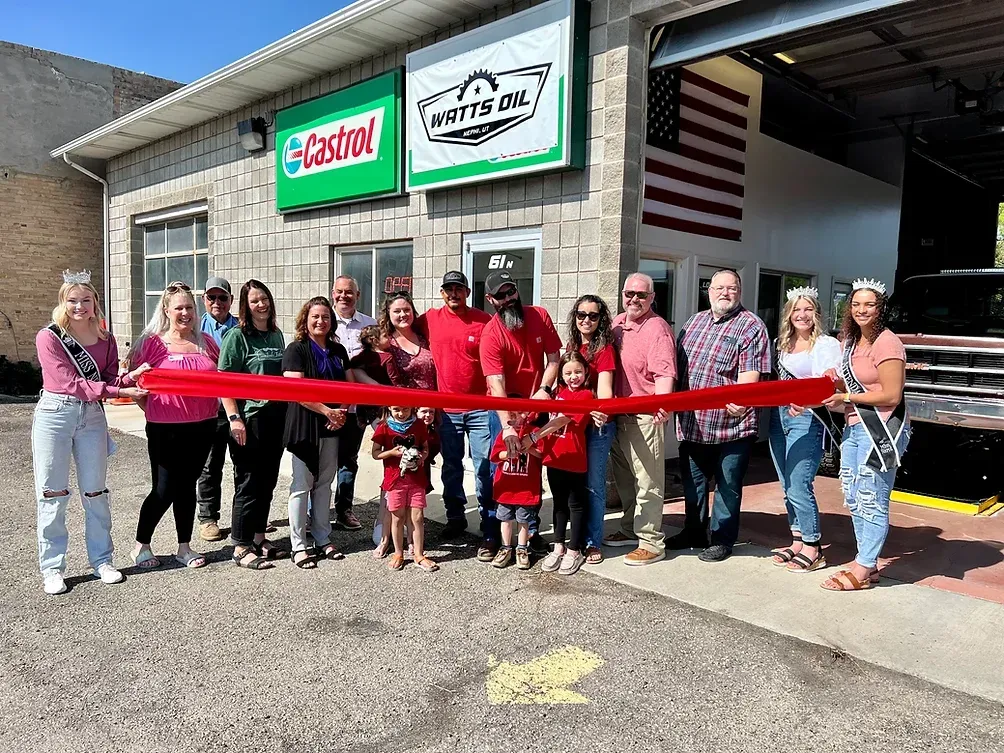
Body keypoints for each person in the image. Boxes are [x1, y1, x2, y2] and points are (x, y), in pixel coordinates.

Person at [32, 271, 148, 595]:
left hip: (92, 416)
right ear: (63, 302)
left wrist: (130, 378)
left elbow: (110, 376)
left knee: (96, 493)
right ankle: (52, 568)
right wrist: (118, 389)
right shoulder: (50, 337)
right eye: (72, 300)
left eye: (86, 299)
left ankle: (102, 560)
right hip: (56, 413)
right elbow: (72, 384)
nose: (79, 306)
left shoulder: (106, 338)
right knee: (53, 493)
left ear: (95, 302)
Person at [673, 269, 770, 563]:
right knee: (694, 483)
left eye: (731, 288)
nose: (724, 293)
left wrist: (742, 400)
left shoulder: (751, 326)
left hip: (732, 426)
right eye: (719, 288)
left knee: (728, 486)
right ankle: (693, 531)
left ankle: (722, 539)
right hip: (693, 424)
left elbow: (750, 375)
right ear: (709, 290)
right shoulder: (694, 322)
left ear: (739, 292)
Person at [820, 278, 909, 592]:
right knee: (854, 496)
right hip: (855, 426)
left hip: (883, 428)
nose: (862, 310)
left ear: (880, 307)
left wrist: (845, 398)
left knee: (872, 498)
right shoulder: (850, 341)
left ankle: (865, 565)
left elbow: (891, 395)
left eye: (869, 304)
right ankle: (865, 561)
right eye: (856, 304)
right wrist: (837, 382)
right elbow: (855, 385)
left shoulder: (888, 342)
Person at [129, 282, 221, 570]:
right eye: (179, 308)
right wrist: (151, 409)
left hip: (203, 425)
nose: (185, 313)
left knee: (186, 488)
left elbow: (224, 378)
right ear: (167, 311)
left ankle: (184, 547)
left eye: (189, 308)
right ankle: (141, 545)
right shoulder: (151, 343)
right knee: (164, 489)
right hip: (164, 428)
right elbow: (132, 382)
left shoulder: (207, 343)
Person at [479, 270, 562, 562]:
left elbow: (554, 358)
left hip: (537, 404)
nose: (507, 299)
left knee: (533, 466)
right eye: (500, 295)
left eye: (510, 291)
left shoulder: (540, 315)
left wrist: (544, 389)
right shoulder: (490, 334)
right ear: (490, 300)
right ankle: (494, 535)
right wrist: (508, 427)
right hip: (503, 407)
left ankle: (530, 534)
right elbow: (496, 384)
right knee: (497, 468)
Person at [603, 273, 677, 566]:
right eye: (629, 293)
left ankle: (651, 541)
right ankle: (629, 528)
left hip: (645, 417)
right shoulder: (618, 324)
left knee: (648, 482)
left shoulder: (657, 328)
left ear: (652, 298)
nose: (634, 299)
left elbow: (664, 372)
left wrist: (662, 404)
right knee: (625, 481)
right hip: (619, 416)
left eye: (641, 295)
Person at [768, 287, 841, 573]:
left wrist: (808, 398)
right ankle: (797, 539)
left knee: (799, 484)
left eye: (808, 309)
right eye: (797, 309)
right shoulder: (781, 343)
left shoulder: (825, 344)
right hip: (779, 416)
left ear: (817, 313)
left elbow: (827, 383)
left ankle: (814, 546)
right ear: (789, 314)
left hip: (808, 417)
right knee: (786, 485)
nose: (802, 315)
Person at [415, 271, 493, 538]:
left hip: (481, 406)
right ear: (442, 293)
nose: (453, 294)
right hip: (447, 409)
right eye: (448, 289)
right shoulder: (429, 319)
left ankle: (489, 517)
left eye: (458, 289)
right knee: (451, 465)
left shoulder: (484, 320)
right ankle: (455, 517)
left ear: (467, 293)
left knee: (484, 464)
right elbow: (400, 333)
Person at [218, 279, 288, 570]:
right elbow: (224, 382)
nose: (261, 304)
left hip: (276, 418)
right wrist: (235, 419)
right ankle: (241, 544)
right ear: (246, 306)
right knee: (248, 481)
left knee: (268, 481)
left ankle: (259, 537)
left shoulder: (276, 334)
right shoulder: (237, 336)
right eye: (255, 301)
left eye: (264, 299)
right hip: (250, 418)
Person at [282, 296, 351, 570]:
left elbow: (349, 386)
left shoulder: (338, 350)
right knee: (301, 486)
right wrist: (327, 411)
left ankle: (323, 538)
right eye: (315, 317)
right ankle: (299, 546)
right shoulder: (296, 349)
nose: (320, 321)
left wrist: (341, 412)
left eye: (325, 317)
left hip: (333, 426)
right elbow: (296, 390)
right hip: (305, 426)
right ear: (305, 320)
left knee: (324, 485)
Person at [565, 294, 618, 564]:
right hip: (573, 424)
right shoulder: (573, 345)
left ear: (601, 319)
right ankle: (574, 537)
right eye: (581, 315)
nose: (586, 320)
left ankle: (592, 541)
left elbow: (606, 390)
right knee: (573, 484)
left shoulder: (604, 349)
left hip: (596, 426)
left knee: (594, 486)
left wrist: (602, 411)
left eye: (593, 315)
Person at [539, 352, 593, 576]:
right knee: (559, 504)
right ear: (560, 374)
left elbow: (563, 420)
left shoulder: (586, 396)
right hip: (554, 457)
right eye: (568, 372)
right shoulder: (557, 394)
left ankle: (574, 549)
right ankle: (559, 544)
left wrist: (533, 438)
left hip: (574, 458)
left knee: (575, 505)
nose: (573, 377)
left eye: (578, 372)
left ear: (586, 372)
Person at [331, 275, 376, 532]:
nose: (344, 296)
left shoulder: (369, 325)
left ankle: (344, 510)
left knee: (348, 459)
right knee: (322, 461)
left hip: (358, 407)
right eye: (339, 292)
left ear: (357, 295)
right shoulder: (323, 322)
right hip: (329, 406)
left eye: (349, 292)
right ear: (332, 293)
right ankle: (315, 511)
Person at [371, 406, 439, 573]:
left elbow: (425, 448)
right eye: (396, 410)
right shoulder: (384, 426)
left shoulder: (418, 425)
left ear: (412, 409)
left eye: (406, 410)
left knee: (417, 517)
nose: (401, 413)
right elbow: (375, 453)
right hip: (394, 481)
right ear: (389, 408)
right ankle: (398, 553)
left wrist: (421, 457)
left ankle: (419, 555)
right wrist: (392, 453)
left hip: (416, 480)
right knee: (397, 518)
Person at [196, 276, 238, 542]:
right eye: (212, 297)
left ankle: (244, 516)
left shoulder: (243, 327)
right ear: (204, 300)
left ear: (231, 301)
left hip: (239, 407)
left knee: (244, 465)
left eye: (223, 297)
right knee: (210, 465)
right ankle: (208, 518)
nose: (217, 302)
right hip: (209, 408)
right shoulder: (195, 329)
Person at [488, 408, 543, 571]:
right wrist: (509, 453)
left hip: (526, 489)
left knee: (523, 520)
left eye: (520, 413)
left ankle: (522, 548)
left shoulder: (534, 432)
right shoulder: (504, 434)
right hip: (506, 488)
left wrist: (529, 447)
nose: (515, 417)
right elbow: (495, 455)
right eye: (511, 414)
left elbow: (542, 454)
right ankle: (506, 547)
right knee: (505, 519)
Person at [379, 291, 436, 391]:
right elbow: (360, 369)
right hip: (403, 404)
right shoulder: (385, 343)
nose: (403, 314)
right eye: (397, 311)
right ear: (388, 314)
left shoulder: (425, 337)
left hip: (432, 403)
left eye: (406, 310)